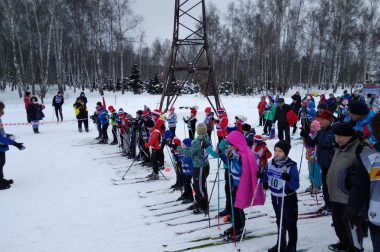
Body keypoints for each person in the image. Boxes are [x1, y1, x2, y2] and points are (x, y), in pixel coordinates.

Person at [326, 123, 363, 252]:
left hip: (349, 195)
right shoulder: (338, 147)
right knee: (338, 222)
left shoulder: (359, 148)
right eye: (336, 136)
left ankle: (355, 247)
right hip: (335, 193)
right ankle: (344, 242)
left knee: (352, 224)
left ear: (349, 136)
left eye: (341, 137)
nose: (337, 139)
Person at [261, 140, 299, 252]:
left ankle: (291, 247)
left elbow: (295, 185)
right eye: (275, 150)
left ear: (286, 153)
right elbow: (266, 179)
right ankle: (281, 244)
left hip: (287, 198)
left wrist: (289, 179)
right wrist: (261, 176)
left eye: (280, 151)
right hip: (275, 197)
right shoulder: (270, 163)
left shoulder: (291, 166)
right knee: (280, 220)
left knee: (290, 223)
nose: (277, 153)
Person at [301, 110, 335, 214]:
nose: (321, 122)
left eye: (324, 120)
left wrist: (327, 146)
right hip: (323, 163)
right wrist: (306, 135)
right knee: (325, 185)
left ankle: (334, 206)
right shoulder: (319, 132)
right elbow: (311, 143)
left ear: (329, 120)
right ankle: (327, 204)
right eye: (320, 119)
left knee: (332, 186)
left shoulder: (334, 131)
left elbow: (334, 144)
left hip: (332, 163)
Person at [0, 101, 25, 190]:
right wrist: (15, 144)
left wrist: (8, 135)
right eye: (1, 110)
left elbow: (1, 134)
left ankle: (1, 179)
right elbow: (0, 138)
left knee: (2, 163)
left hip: (1, 147)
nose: (3, 112)